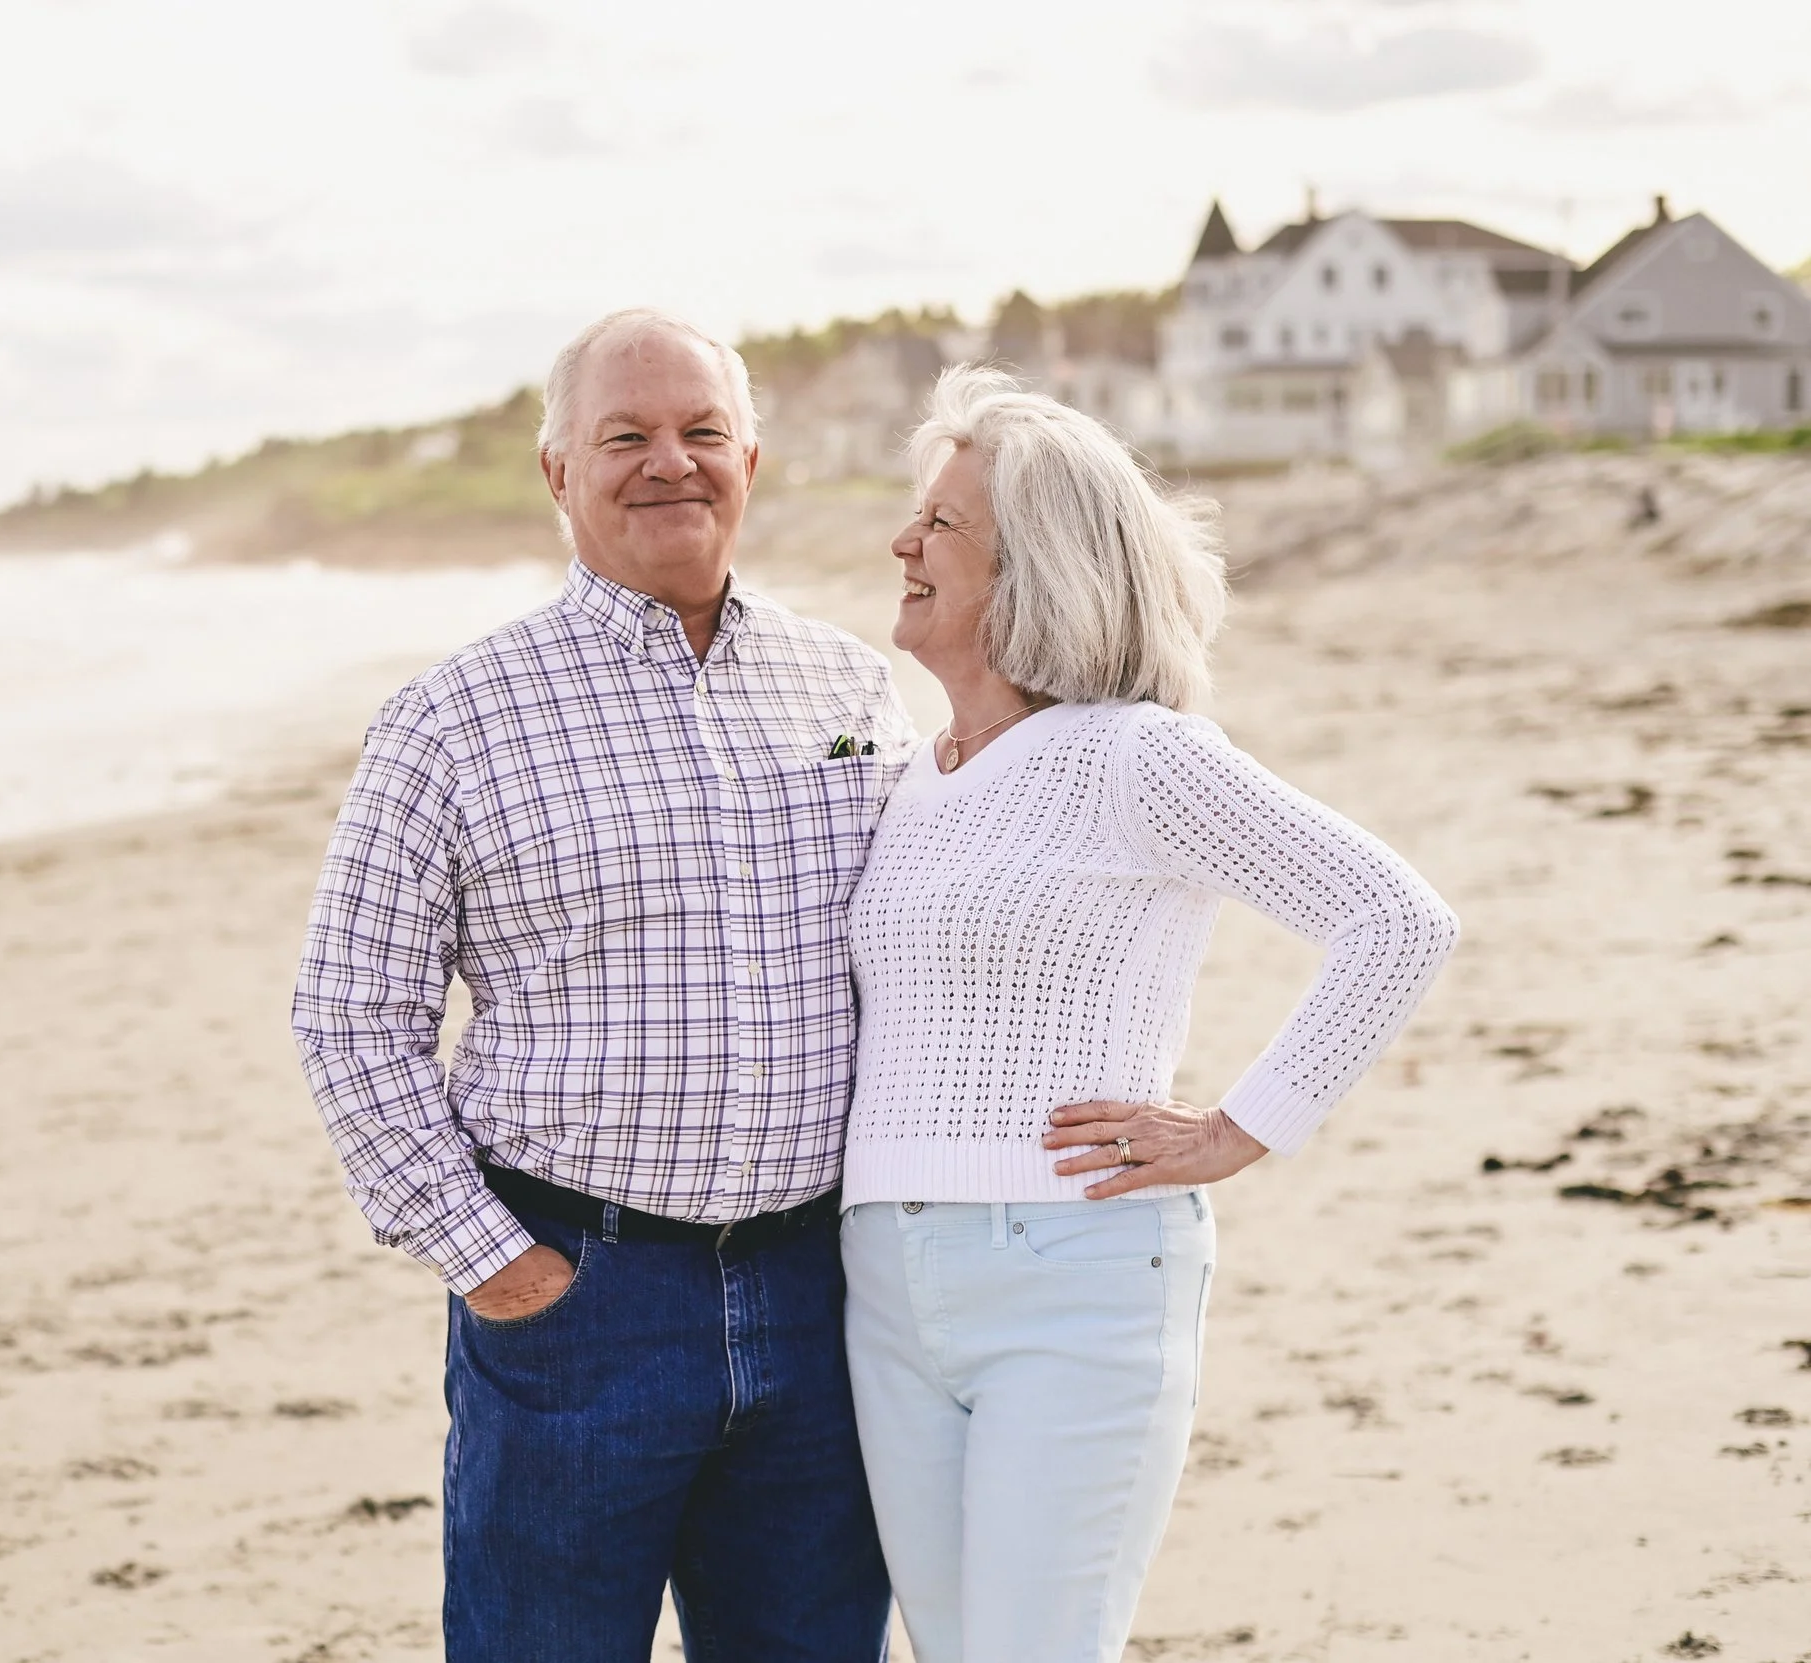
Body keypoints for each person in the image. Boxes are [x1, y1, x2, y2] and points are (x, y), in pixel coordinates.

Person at [293, 308, 911, 1661]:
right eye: (625, 436)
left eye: (702, 432)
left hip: (823, 1296)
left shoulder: (851, 686)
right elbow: (353, 1016)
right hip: (580, 1302)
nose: (669, 462)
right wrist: (491, 1261)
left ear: (751, 459)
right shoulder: (453, 718)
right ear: (558, 471)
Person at [839, 366, 1460, 1663]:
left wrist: (1236, 1129)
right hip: (883, 1282)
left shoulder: (1136, 755)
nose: (902, 541)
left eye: (942, 522)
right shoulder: (909, 778)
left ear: (1039, 567)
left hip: (1075, 1277)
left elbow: (1396, 920)